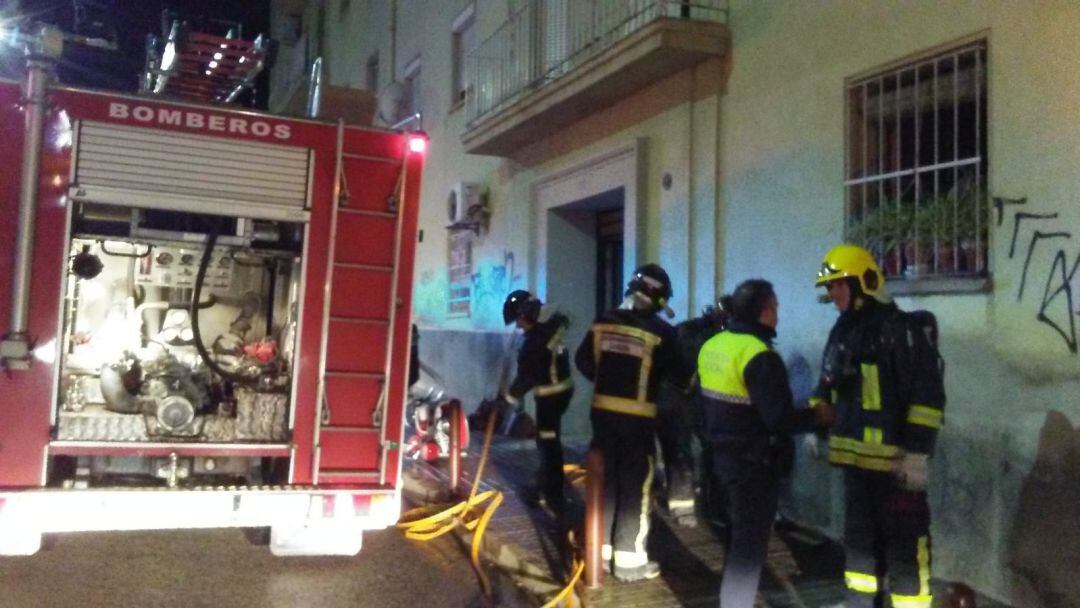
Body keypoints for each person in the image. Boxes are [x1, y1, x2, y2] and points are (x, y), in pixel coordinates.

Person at [812, 244, 945, 608]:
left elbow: (927, 398)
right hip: (857, 468)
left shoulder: (901, 331)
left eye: (839, 285)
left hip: (895, 467)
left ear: (862, 282)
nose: (833, 294)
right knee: (858, 545)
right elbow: (826, 383)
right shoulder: (842, 331)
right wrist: (817, 424)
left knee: (905, 545)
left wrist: (916, 453)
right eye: (831, 287)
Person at [698, 279, 834, 607]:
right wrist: (818, 417)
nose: (778, 313)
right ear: (763, 312)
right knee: (749, 544)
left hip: (719, 458)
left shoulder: (714, 345)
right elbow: (779, 419)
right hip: (752, 464)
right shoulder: (761, 356)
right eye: (774, 306)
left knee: (734, 535)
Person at [575, 263, 687, 582]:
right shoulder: (662, 333)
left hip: (602, 417)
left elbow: (583, 360)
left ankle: (602, 550)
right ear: (660, 299)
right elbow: (683, 378)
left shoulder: (602, 322)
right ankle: (630, 562)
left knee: (605, 482)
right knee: (635, 486)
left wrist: (607, 379)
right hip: (637, 422)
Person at [656, 299, 730, 528]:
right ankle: (683, 505)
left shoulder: (698, 331)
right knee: (680, 449)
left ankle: (709, 505)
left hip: (701, 399)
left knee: (707, 449)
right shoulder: (693, 332)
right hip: (677, 397)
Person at [501, 290, 574, 513]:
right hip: (561, 390)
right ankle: (547, 484)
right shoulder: (552, 324)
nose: (518, 326)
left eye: (519, 320)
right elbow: (564, 319)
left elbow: (526, 378)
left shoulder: (536, 343)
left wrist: (506, 400)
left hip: (550, 397)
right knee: (548, 441)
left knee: (548, 443)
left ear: (528, 314)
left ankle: (552, 494)